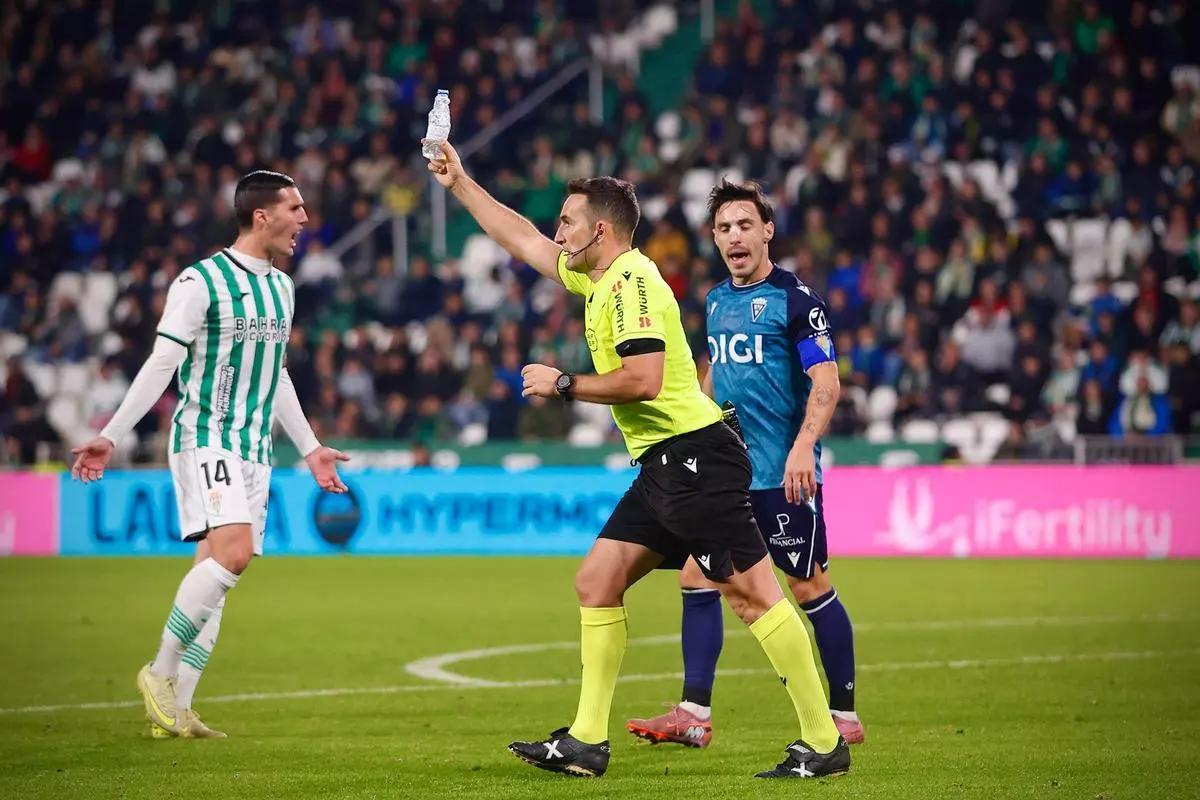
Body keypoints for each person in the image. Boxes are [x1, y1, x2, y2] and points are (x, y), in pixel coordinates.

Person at [427, 141, 849, 779]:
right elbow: (523, 240)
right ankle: (587, 741)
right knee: (597, 580)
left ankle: (823, 744)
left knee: (754, 596)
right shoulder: (595, 276)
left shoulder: (633, 281)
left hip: (696, 458)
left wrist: (564, 383)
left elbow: (645, 379)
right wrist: (460, 183)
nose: (557, 231)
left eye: (567, 221)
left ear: (600, 229)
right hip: (663, 464)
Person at [70, 171, 350, 738]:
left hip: (255, 447)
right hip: (206, 436)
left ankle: (176, 710)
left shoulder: (283, 288)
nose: (304, 219)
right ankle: (159, 673)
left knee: (217, 571)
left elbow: (276, 377)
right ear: (261, 216)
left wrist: (312, 447)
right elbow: (162, 363)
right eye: (294, 208)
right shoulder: (200, 282)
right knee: (234, 554)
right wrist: (114, 433)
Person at [627, 180, 864, 748]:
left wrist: (803, 446)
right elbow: (715, 378)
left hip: (783, 476)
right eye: (724, 228)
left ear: (767, 232)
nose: (734, 236)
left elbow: (826, 383)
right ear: (714, 237)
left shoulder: (797, 301)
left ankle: (844, 717)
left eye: (744, 225)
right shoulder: (715, 301)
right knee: (695, 573)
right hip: (727, 474)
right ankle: (694, 713)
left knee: (808, 587)